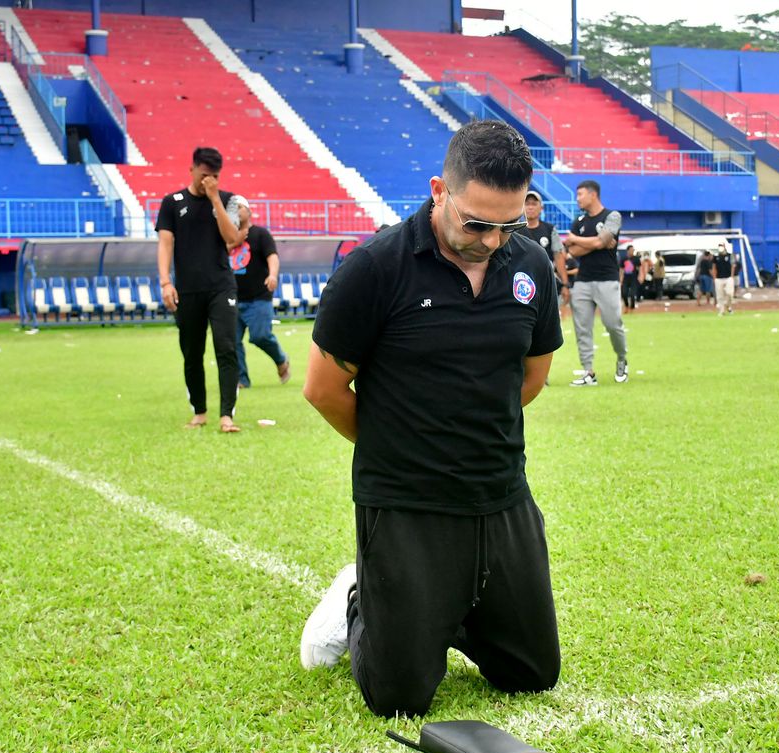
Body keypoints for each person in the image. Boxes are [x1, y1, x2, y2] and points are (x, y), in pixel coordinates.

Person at [298, 120, 562, 718]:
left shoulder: (531, 268)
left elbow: (531, 377)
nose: (493, 240)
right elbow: (323, 388)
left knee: (532, 676)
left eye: (509, 223)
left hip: (500, 494)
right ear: (440, 189)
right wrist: (404, 444)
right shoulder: (375, 268)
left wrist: (463, 432)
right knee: (399, 698)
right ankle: (361, 599)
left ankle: (442, 611)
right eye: (477, 222)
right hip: (406, 500)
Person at [156, 146, 248, 433]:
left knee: (226, 347)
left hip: (221, 286)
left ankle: (226, 416)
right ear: (192, 169)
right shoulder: (172, 202)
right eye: (205, 174)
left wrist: (214, 200)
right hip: (187, 289)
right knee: (192, 352)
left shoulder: (228, 200)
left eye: (215, 176)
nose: (209, 180)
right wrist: (165, 281)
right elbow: (165, 243)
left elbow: (233, 239)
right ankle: (199, 411)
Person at [564, 179, 628, 385]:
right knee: (582, 328)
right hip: (582, 280)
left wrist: (577, 239)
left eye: (580, 194)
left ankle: (621, 359)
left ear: (593, 195)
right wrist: (598, 243)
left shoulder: (612, 216)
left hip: (607, 279)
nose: (577, 199)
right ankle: (588, 371)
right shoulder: (579, 221)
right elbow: (572, 251)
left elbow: (597, 241)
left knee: (612, 324)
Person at [233, 216, 290, 389]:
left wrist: (272, 275)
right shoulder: (226, 235)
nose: (236, 211)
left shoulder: (260, 234)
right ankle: (241, 380)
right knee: (231, 341)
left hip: (259, 296)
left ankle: (281, 359)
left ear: (248, 211)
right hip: (232, 297)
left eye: (239, 207)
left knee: (260, 336)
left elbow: (272, 256)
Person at [514, 190, 569, 310]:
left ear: (541, 208)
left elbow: (558, 257)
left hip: (545, 281)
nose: (530, 207)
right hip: (521, 283)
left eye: (534, 204)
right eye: (527, 204)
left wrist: (565, 284)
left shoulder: (550, 229)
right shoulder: (514, 229)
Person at [712, 243, 736, 315]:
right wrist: (714, 278)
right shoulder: (716, 257)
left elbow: (733, 265)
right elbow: (714, 267)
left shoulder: (729, 255)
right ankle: (721, 311)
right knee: (720, 295)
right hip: (719, 278)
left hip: (728, 277)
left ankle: (729, 306)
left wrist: (732, 276)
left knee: (729, 293)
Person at [620, 244, 641, 311]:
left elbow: (640, 268)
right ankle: (626, 305)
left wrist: (640, 276)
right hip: (626, 279)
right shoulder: (623, 259)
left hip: (633, 279)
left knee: (632, 294)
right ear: (628, 251)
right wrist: (621, 278)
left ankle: (632, 307)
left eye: (633, 250)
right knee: (624, 293)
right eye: (631, 250)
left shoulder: (636, 259)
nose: (632, 251)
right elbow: (621, 269)